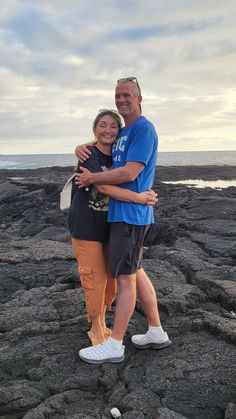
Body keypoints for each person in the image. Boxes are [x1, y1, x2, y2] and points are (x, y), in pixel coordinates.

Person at [75, 77, 171, 364]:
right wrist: (83, 146)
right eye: (118, 95)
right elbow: (102, 144)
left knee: (125, 280)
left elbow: (129, 173)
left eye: (127, 94)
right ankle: (156, 331)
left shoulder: (143, 129)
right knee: (137, 272)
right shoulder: (124, 132)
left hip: (130, 217)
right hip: (123, 214)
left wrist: (93, 178)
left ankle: (114, 344)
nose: (122, 99)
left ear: (139, 98)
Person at [69, 109, 157, 347]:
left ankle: (105, 317)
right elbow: (105, 188)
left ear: (119, 132)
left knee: (112, 281)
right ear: (95, 129)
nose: (108, 130)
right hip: (85, 227)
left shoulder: (119, 158)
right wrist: (138, 198)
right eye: (102, 125)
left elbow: (131, 173)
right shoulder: (88, 154)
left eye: (113, 126)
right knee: (94, 280)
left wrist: (143, 193)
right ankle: (96, 325)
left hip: (111, 226)